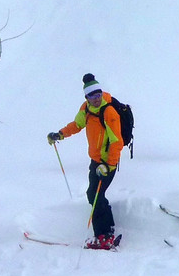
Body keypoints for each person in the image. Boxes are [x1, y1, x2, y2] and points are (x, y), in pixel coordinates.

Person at [47, 73, 124, 249]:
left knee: (94, 196)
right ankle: (109, 229)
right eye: (92, 96)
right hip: (96, 161)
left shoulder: (109, 112)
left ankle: (102, 237)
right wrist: (60, 134)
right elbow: (77, 125)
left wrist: (110, 164)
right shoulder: (86, 109)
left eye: (98, 94)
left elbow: (117, 141)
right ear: (86, 97)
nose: (96, 99)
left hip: (107, 164)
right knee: (96, 195)